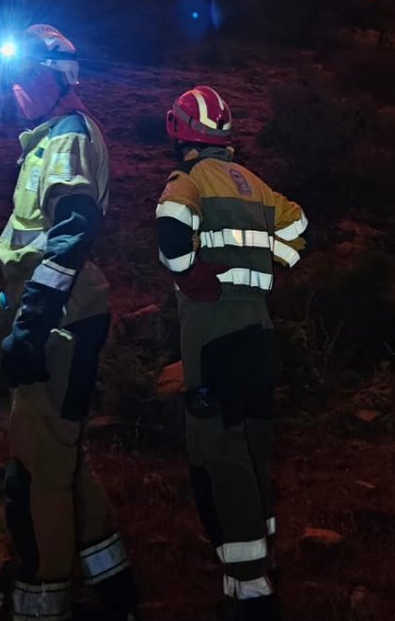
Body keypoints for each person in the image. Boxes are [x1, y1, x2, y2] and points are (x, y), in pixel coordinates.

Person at [0, 24, 138, 621]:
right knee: (65, 455)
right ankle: (113, 587)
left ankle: (43, 600)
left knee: (37, 469)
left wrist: (30, 322)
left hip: (61, 319)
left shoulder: (69, 138)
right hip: (64, 315)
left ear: (55, 79)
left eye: (25, 77)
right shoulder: (48, 139)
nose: (16, 90)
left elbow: (72, 233)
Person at [155, 85, 308, 621]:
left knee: (218, 453)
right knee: (254, 444)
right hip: (259, 331)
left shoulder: (187, 181)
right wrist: (271, 268)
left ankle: (249, 586)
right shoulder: (255, 183)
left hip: (213, 335)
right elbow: (298, 227)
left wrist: (195, 279)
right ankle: (261, 561)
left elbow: (171, 235)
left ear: (179, 133)